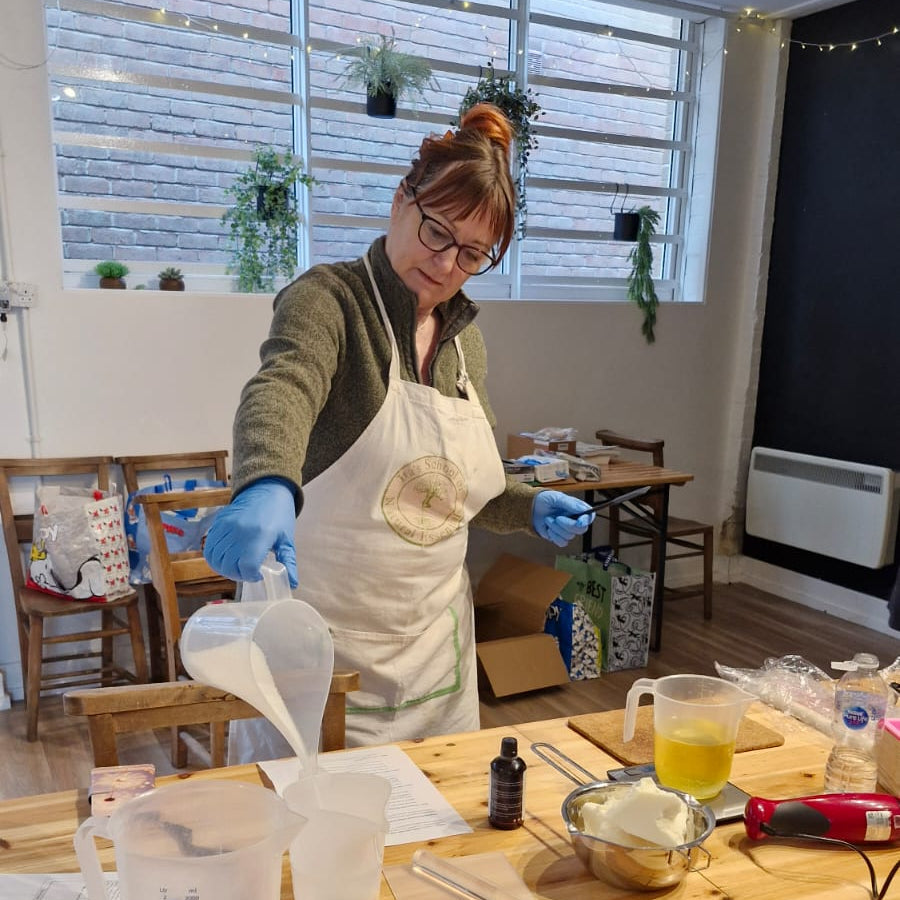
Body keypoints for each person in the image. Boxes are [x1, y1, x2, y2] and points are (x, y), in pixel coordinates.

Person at [204, 103, 595, 759]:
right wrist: (267, 481)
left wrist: (527, 508)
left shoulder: (465, 346)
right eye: (437, 231)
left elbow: (453, 491)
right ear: (400, 199)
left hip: (433, 664)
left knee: (437, 834)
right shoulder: (331, 302)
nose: (446, 265)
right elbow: (286, 386)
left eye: (473, 253)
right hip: (321, 656)